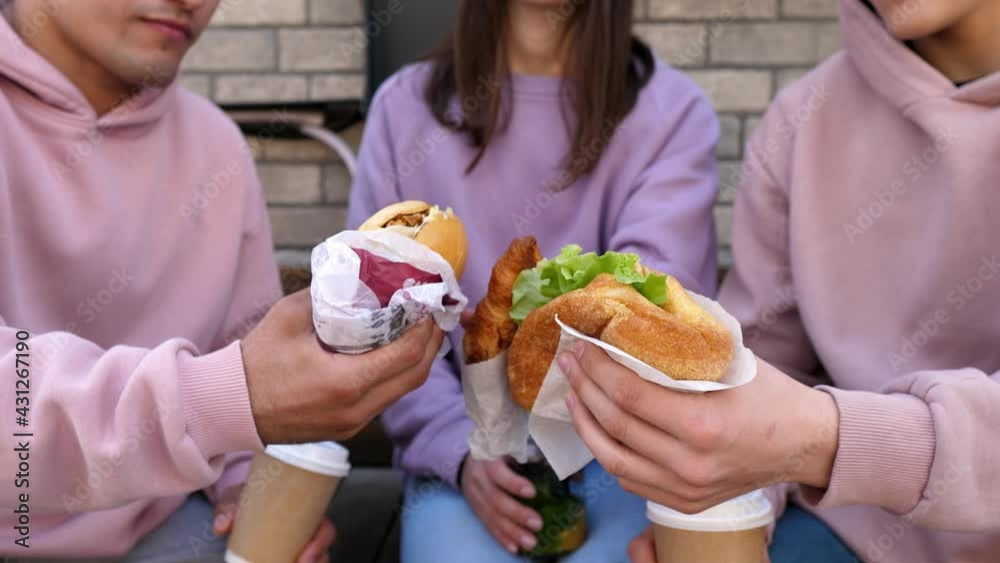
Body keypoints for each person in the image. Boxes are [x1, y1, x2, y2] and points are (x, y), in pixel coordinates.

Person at [557, 0, 1000, 562]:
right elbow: (765, 364)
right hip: (839, 528)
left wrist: (827, 438)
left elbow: (795, 427)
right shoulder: (801, 121)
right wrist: (729, 514)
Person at [0, 0, 443, 560]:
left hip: (164, 524)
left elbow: (242, 361)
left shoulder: (216, 147)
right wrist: (219, 401)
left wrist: (253, 493)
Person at [346, 1, 721, 561]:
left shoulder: (672, 114)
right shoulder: (404, 110)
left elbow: (654, 308)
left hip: (626, 451)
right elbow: (383, 315)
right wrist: (462, 450)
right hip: (460, 453)